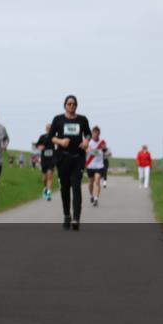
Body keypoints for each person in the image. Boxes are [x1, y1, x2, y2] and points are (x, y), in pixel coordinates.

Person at [46, 95, 92, 231]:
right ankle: (67, 214)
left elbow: (88, 134)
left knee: (76, 187)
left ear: (76, 106)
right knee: (65, 188)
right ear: (65, 105)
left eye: (74, 104)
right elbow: (50, 138)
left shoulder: (82, 119)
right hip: (63, 158)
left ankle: (76, 218)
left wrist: (86, 141)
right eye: (69, 104)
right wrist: (60, 142)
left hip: (78, 158)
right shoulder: (58, 119)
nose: (71, 106)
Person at [85, 126, 107, 207]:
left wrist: (105, 151)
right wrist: (86, 149)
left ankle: (96, 198)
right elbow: (84, 150)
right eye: (94, 133)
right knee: (91, 182)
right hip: (90, 165)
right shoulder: (88, 142)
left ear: (99, 134)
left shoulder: (102, 142)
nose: (95, 135)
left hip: (99, 166)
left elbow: (106, 152)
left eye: (97, 134)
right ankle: (91, 195)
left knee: (97, 181)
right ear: (92, 133)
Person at [35, 123, 56, 201]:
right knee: (44, 178)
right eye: (48, 128)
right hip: (44, 159)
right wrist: (39, 146)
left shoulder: (54, 137)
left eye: (50, 128)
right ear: (46, 129)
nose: (49, 129)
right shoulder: (42, 137)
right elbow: (37, 145)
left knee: (50, 176)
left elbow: (58, 144)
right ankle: (45, 188)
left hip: (52, 159)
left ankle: (48, 194)